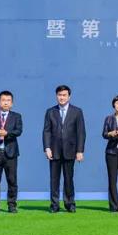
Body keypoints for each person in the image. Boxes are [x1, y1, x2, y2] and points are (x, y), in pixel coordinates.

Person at [43, 84, 86, 213]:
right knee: (54, 180)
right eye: (59, 95)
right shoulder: (50, 111)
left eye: (64, 95)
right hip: (54, 151)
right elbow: (46, 131)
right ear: (56, 96)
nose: (62, 97)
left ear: (69, 96)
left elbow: (81, 132)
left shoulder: (77, 111)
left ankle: (70, 204)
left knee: (68, 179)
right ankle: (54, 205)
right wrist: (47, 147)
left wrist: (80, 150)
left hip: (70, 150)